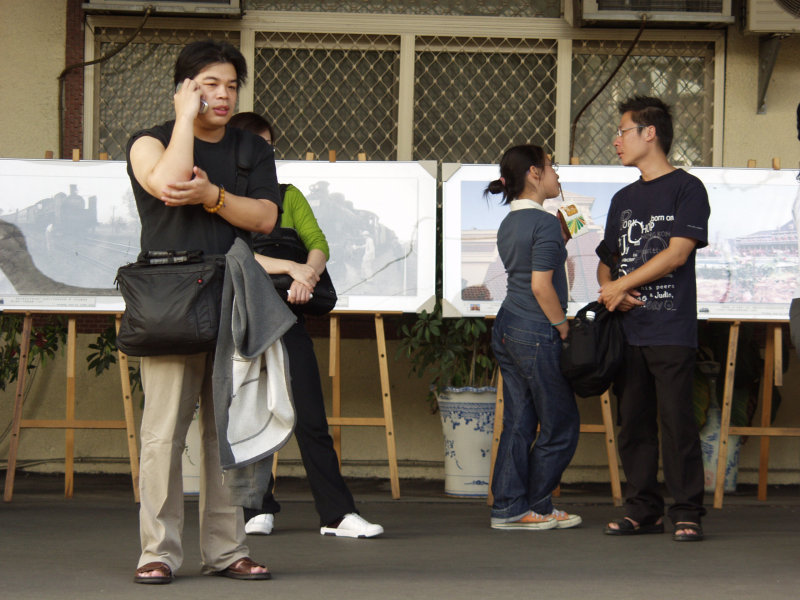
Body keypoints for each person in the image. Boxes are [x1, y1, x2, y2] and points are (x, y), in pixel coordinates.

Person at [126, 40, 280, 583]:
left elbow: (264, 217)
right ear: (185, 88)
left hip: (232, 294)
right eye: (209, 84)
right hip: (170, 296)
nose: (222, 94)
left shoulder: (250, 149)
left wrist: (213, 195)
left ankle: (226, 549)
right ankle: (158, 552)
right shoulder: (149, 142)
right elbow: (168, 184)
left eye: (230, 85)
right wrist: (183, 122)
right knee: (162, 432)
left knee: (227, 431)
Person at [226, 111, 384, 539]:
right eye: (256, 146)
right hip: (237, 321)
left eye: (268, 147)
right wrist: (293, 269)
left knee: (310, 416)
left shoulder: (287, 195)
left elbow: (319, 244)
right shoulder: (219, 197)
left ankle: (336, 514)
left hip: (286, 317)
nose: (265, 155)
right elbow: (231, 254)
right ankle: (254, 506)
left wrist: (308, 275)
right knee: (246, 414)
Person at [598, 96, 710, 542]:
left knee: (677, 422)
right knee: (635, 424)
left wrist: (621, 286)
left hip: (671, 327)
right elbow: (609, 259)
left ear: (649, 133)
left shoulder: (688, 188)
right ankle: (643, 509)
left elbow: (677, 254)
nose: (616, 140)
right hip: (627, 331)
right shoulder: (623, 198)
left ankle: (687, 511)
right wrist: (614, 287)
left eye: (623, 131)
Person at [486, 144, 582, 531]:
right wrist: (562, 326)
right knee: (560, 423)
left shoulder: (511, 223)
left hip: (508, 325)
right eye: (551, 167)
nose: (557, 174)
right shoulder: (542, 224)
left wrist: (559, 239)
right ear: (533, 173)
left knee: (520, 420)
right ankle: (535, 504)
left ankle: (512, 507)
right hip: (536, 330)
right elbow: (542, 286)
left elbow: (527, 273)